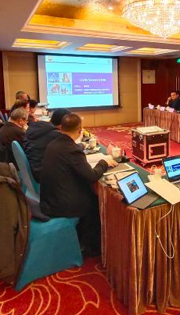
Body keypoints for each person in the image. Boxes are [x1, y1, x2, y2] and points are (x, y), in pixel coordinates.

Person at [40, 113, 118, 256]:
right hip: (60, 203)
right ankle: (90, 247)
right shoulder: (71, 150)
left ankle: (84, 238)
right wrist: (104, 162)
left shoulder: (54, 143)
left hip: (50, 196)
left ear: (61, 128)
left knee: (90, 194)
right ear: (80, 130)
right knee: (95, 201)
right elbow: (91, 176)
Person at [24, 108, 71, 182]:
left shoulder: (36, 127)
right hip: (44, 176)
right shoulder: (56, 135)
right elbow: (71, 150)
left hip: (34, 170)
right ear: (63, 124)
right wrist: (82, 145)